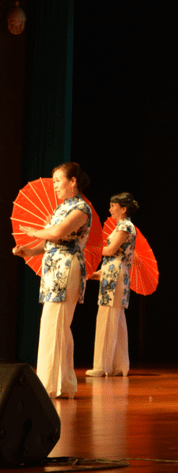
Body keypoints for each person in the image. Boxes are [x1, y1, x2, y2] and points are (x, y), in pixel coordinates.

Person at [12, 162, 92, 399]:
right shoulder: (61, 209)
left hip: (66, 268)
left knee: (55, 325)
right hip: (55, 268)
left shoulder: (81, 208)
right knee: (56, 327)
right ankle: (63, 384)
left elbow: (57, 233)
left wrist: (34, 232)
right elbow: (50, 241)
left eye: (58, 180)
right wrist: (29, 250)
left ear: (73, 181)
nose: (55, 185)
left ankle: (49, 385)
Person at [86, 192, 140, 377]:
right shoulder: (121, 226)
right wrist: (100, 273)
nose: (110, 210)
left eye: (113, 206)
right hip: (114, 272)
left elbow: (110, 250)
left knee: (108, 317)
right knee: (116, 320)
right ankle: (118, 365)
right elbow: (116, 256)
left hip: (116, 273)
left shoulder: (125, 226)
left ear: (123, 209)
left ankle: (102, 366)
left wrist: (88, 247)